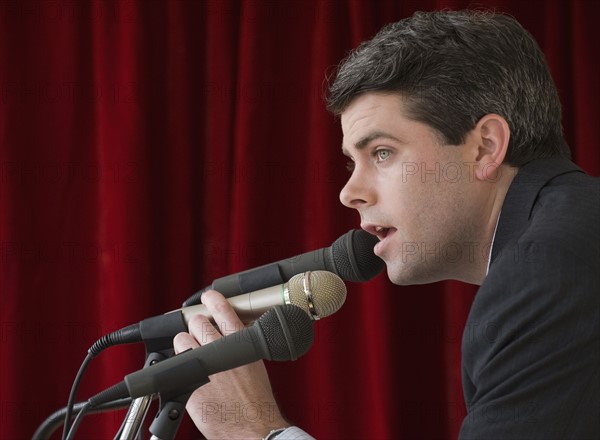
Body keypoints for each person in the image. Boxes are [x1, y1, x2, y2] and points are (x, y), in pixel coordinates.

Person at [173, 10, 599, 439]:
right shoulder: (562, 239)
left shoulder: (544, 274)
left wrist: (254, 431)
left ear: (485, 146)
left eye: (381, 152)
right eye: (351, 162)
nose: (348, 193)